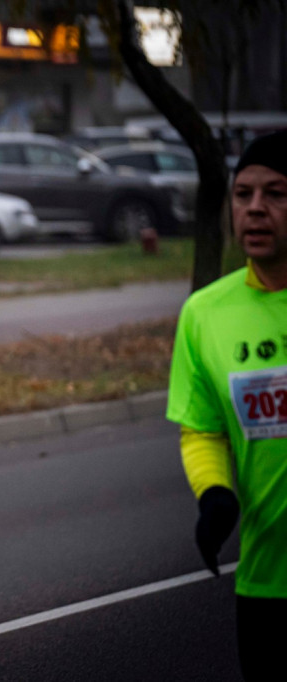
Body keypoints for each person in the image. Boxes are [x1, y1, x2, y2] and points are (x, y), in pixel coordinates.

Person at [167, 129, 287, 681]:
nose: (256, 209)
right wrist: (215, 495)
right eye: (244, 195)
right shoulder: (205, 313)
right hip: (265, 581)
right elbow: (204, 429)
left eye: (277, 194)